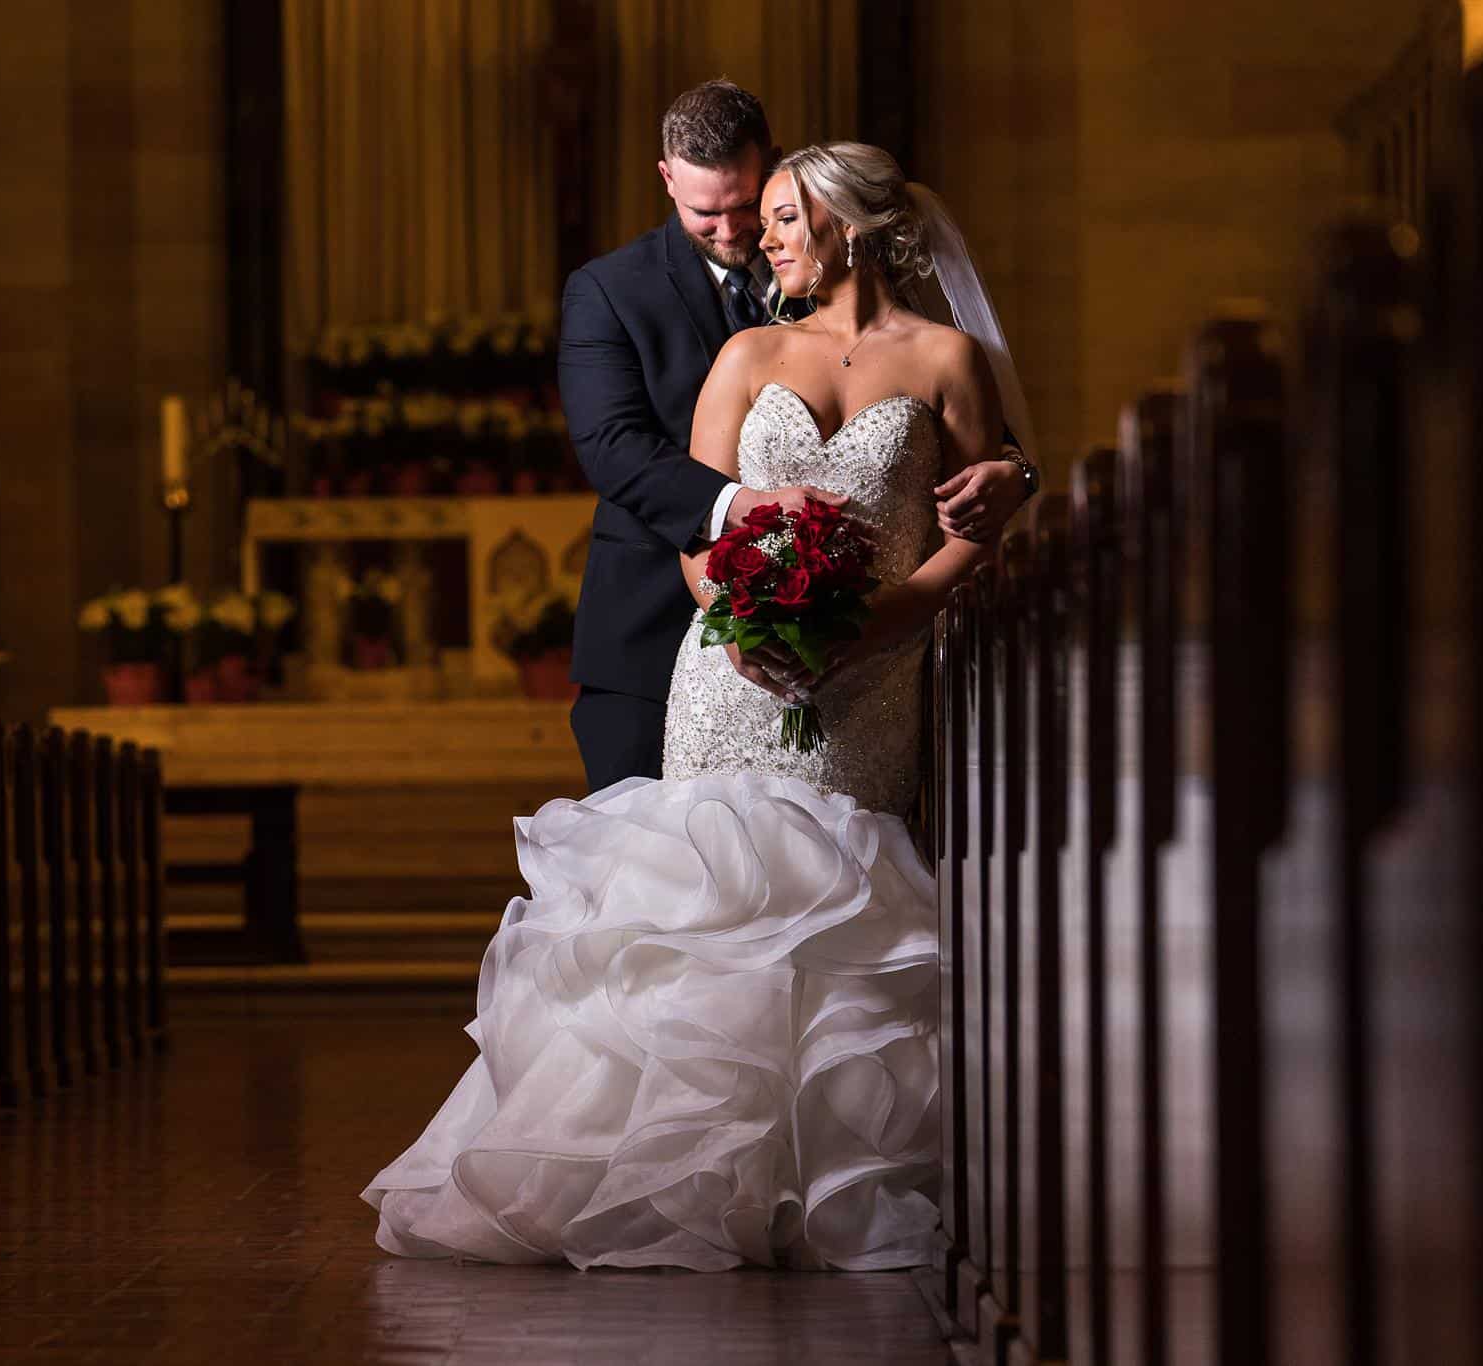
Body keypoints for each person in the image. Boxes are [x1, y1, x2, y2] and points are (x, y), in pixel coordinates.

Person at [363, 140, 1035, 1272]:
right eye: (761, 216)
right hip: (730, 674)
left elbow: (978, 518)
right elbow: (698, 528)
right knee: (713, 908)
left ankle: (829, 1175)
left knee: (838, 906)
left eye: (783, 217)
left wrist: (887, 616)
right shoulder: (743, 353)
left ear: (848, 225)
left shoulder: (948, 360)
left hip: (872, 676)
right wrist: (752, 622)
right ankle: (686, 1175)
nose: (763, 238)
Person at [554, 80, 1035, 794]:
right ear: (667, 181)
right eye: (703, 213)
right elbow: (613, 448)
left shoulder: (935, 350)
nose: (736, 232)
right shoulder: (613, 293)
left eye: (752, 208)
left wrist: (1018, 473)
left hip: (877, 666)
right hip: (664, 633)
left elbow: (970, 469)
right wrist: (746, 587)